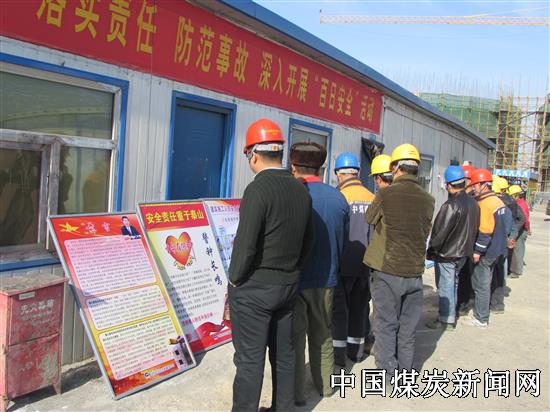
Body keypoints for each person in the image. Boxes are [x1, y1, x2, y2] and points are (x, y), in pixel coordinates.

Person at [228, 118, 314, 412]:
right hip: (288, 286)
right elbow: (309, 241)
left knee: (249, 360)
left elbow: (246, 245)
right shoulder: (301, 190)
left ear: (253, 155)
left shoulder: (258, 190)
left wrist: (235, 280)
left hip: (255, 290)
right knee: (284, 356)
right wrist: (292, 270)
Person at [363, 143, 434, 376]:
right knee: (407, 328)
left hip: (387, 271)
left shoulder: (386, 194)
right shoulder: (428, 199)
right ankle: (405, 372)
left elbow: (369, 218)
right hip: (414, 273)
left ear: (395, 168)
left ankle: (388, 373)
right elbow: (425, 229)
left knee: (385, 324)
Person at [290, 142, 349, 406]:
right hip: (326, 279)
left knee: (294, 340)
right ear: (322, 168)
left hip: (294, 279)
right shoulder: (337, 198)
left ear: (293, 166)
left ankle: (296, 395)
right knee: (323, 333)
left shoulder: (291, 194)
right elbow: (343, 240)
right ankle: (325, 386)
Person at [331, 152, 374, 366]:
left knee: (340, 311)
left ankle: (339, 355)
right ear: (357, 172)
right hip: (366, 264)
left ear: (339, 174)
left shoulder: (339, 197)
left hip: (343, 263)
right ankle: (356, 352)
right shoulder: (372, 197)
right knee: (360, 308)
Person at [426, 166, 479, 330]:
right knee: (453, 284)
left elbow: (439, 233)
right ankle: (451, 314)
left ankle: (446, 320)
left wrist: (431, 250)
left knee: (446, 287)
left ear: (449, 185)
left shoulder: (450, 205)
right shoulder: (473, 203)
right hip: (464, 252)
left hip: (448, 253)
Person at [468, 169, 508, 328]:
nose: (473, 188)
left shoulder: (485, 204)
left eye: (475, 185)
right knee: (488, 282)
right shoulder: (498, 201)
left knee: (481, 285)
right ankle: (482, 312)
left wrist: (477, 251)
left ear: (483, 185)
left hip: (487, 252)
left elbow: (485, 231)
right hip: (498, 249)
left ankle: (481, 318)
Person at [491, 176, 524, 314]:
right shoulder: (509, 204)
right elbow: (516, 223)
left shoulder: (497, 205)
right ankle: (498, 304)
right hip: (503, 243)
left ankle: (491, 304)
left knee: (491, 275)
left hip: (494, 244)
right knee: (500, 274)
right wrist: (511, 237)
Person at [456, 164, 476, 315]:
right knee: (464, 275)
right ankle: (462, 301)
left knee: (463, 276)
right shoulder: (472, 200)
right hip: (467, 243)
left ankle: (461, 304)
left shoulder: (471, 200)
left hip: (463, 244)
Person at [508, 185, 530, 278]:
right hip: (522, 228)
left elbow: (523, 219)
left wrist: (514, 231)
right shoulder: (520, 203)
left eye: (512, 196)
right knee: (517, 250)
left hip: (521, 230)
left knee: (517, 251)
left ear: (516, 195)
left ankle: (516, 272)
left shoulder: (520, 205)